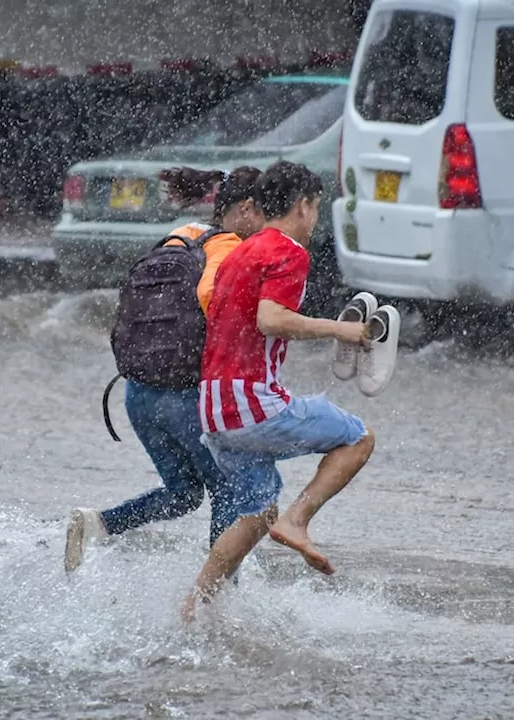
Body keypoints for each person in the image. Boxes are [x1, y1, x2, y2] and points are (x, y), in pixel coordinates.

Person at [181, 160, 385, 621]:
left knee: (257, 514)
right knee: (358, 438)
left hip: (213, 410)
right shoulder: (288, 251)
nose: (315, 218)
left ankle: (193, 608)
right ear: (303, 206)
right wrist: (343, 331)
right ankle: (299, 520)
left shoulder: (240, 251)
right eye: (316, 207)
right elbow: (271, 319)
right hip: (251, 404)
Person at [64, 166, 266, 572]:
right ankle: (217, 598)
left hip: (139, 392)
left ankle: (97, 523)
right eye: (265, 213)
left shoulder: (180, 235)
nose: (266, 226)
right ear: (246, 209)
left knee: (184, 493)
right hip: (185, 396)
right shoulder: (227, 246)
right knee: (229, 489)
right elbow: (211, 297)